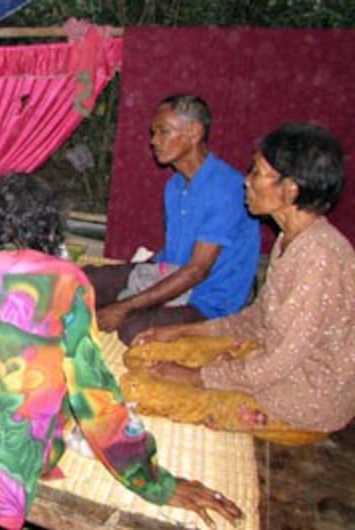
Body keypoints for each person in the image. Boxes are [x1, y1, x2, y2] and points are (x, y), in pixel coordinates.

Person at [0, 173, 242, 529]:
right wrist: (154, 482)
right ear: (47, 228)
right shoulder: (65, 281)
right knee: (56, 383)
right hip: (1, 464)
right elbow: (94, 395)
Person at [125, 123, 355, 445]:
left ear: (290, 190)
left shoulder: (320, 258)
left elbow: (278, 363)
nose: (246, 181)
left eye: (257, 172)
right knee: (146, 352)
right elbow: (259, 318)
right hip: (272, 364)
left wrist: (194, 377)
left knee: (135, 388)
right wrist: (184, 330)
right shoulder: (292, 239)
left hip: (301, 398)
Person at [85, 94, 261, 345]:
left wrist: (124, 306)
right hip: (170, 277)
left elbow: (196, 271)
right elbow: (174, 257)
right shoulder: (175, 185)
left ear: (194, 132)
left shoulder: (227, 188)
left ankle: (147, 313)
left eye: (163, 131)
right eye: (154, 132)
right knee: (84, 280)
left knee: (133, 329)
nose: (154, 141)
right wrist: (135, 271)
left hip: (207, 300)